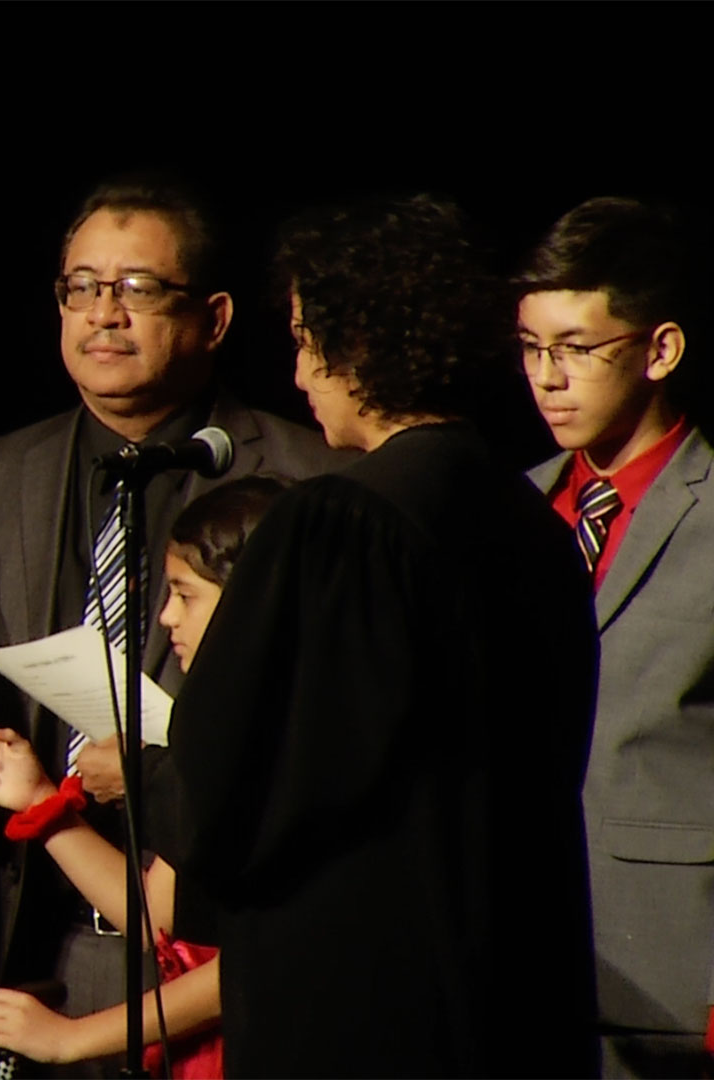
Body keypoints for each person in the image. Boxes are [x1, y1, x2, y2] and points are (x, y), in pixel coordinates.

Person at [152, 194, 601, 1076]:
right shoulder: (533, 520)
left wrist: (154, 771)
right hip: (514, 992)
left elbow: (237, 782)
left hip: (362, 999)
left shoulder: (338, 525)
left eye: (302, 340)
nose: (299, 375)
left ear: (354, 342)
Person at [0, 176, 346, 1072]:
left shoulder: (313, 481)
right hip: (32, 950)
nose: (104, 315)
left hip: (219, 956)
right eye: (81, 287)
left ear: (215, 317)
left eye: (137, 290)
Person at [515, 197, 714, 1078]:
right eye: (532, 349)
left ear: (659, 350)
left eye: (577, 348)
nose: (548, 376)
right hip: (519, 964)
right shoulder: (514, 506)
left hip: (667, 978)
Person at [0, 477, 287, 1078]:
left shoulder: (295, 740)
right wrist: (41, 801)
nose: (165, 616)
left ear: (250, 599)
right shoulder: (221, 728)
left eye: (185, 595)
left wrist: (73, 1039)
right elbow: (159, 914)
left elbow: (251, 961)